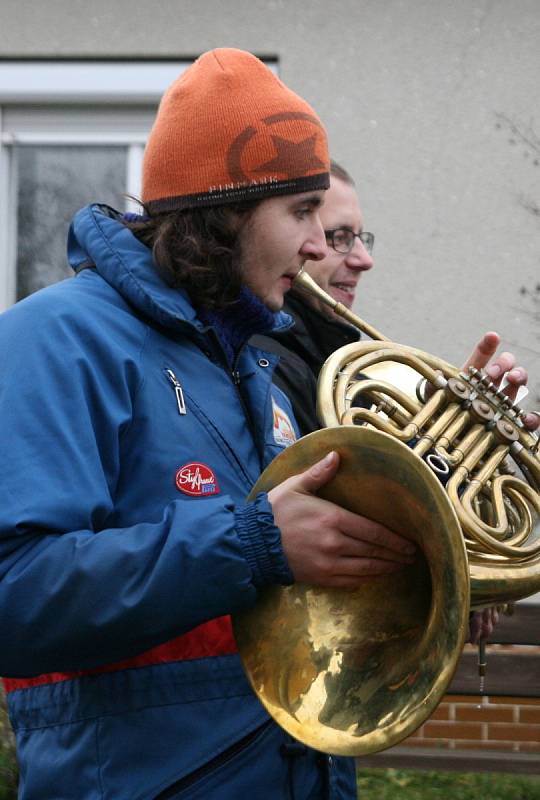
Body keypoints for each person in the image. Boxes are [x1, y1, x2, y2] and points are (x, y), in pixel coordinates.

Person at [0, 49, 419, 800]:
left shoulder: (256, 366)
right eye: (301, 213)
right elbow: (15, 594)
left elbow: (287, 594)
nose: (322, 247)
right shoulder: (51, 339)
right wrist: (253, 541)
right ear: (225, 212)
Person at [256, 160, 540, 644]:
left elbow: (380, 503)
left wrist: (459, 442)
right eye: (341, 236)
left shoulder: (344, 359)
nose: (362, 259)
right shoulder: (267, 361)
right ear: (302, 240)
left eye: (362, 238)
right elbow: (343, 510)